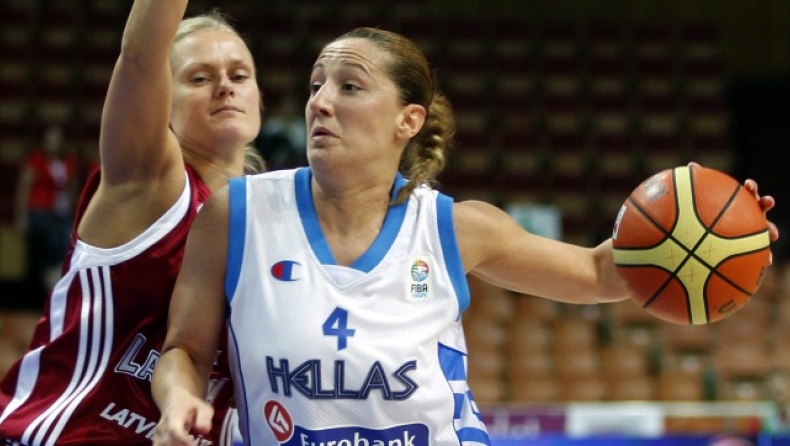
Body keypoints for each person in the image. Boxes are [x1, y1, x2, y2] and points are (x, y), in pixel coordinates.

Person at [151, 27, 780, 446]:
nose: (320, 102)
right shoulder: (238, 215)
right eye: (316, 85)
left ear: (408, 120)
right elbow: (182, 351)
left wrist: (724, 237)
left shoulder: (454, 227)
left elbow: (600, 273)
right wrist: (178, 402)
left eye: (349, 86)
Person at [0, 1, 263, 444]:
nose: (225, 86)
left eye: (240, 76)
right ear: (163, 99)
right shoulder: (149, 179)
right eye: (200, 78)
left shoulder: (267, 222)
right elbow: (141, 55)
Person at [14, 123, 79, 308]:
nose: (54, 144)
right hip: (41, 212)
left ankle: (57, 290)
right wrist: (21, 217)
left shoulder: (69, 161)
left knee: (67, 250)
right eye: (50, 140)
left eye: (57, 140)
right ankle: (51, 292)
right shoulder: (36, 159)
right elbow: (24, 188)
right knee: (52, 252)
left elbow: (73, 188)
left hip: (62, 214)